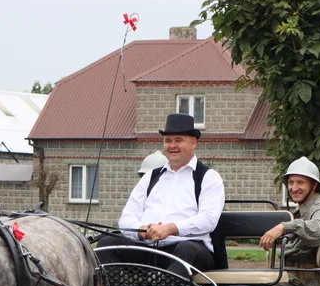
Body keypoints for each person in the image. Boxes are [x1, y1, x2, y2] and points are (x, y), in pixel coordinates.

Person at [95, 113, 225, 273]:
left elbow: (208, 220)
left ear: (193, 143)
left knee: (187, 251)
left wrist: (170, 229)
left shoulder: (208, 177)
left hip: (190, 249)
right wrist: (142, 230)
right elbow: (127, 217)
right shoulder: (151, 177)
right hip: (149, 247)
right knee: (107, 244)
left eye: (178, 140)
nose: (172, 145)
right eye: (168, 141)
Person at [259, 157, 320, 286]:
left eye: (300, 183)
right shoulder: (302, 209)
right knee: (246, 282)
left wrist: (285, 226)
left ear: (313, 185)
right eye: (290, 183)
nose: (294, 188)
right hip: (294, 281)